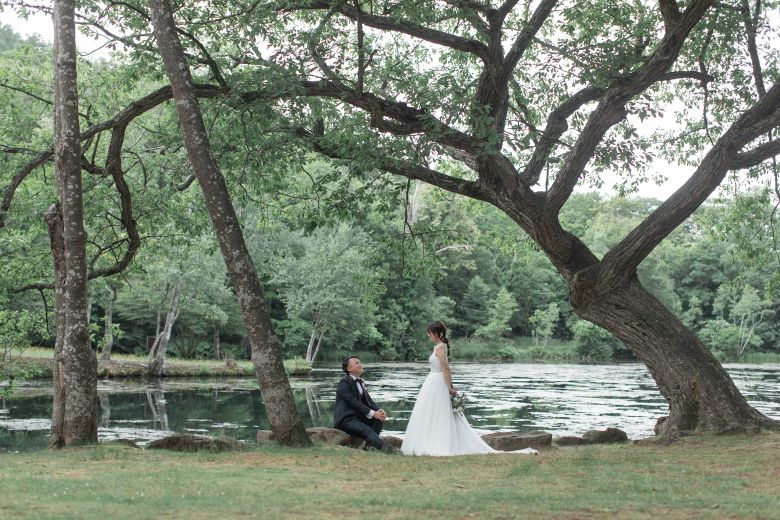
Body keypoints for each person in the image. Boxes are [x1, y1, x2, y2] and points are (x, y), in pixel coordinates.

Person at [401, 320, 501, 456]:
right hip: (433, 381)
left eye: (429, 333)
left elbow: (445, 368)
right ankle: (428, 439)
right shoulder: (439, 346)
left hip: (438, 382)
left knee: (439, 412)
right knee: (431, 411)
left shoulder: (440, 347)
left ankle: (438, 442)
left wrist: (449, 387)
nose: (428, 335)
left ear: (436, 333)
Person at [333, 356, 399, 453]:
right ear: (349, 369)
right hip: (346, 420)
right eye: (357, 363)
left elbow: (369, 401)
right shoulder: (344, 382)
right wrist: (372, 413)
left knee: (379, 420)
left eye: (360, 362)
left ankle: (368, 448)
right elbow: (353, 402)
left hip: (358, 418)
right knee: (367, 430)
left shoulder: (361, 382)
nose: (360, 365)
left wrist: (379, 411)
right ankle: (390, 450)